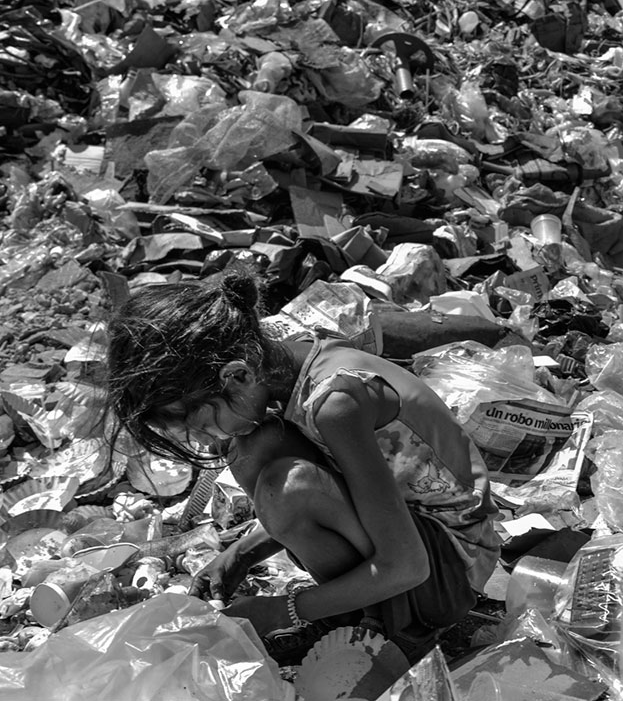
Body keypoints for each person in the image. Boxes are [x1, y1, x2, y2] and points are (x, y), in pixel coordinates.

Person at [105, 269, 501, 665]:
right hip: (415, 538)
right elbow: (351, 497)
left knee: (287, 485)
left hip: (451, 569)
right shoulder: (288, 369)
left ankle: (396, 627)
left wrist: (285, 609)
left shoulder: (335, 404)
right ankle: (360, 608)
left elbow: (406, 566)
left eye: (201, 424)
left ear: (238, 375)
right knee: (255, 448)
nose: (206, 440)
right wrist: (239, 555)